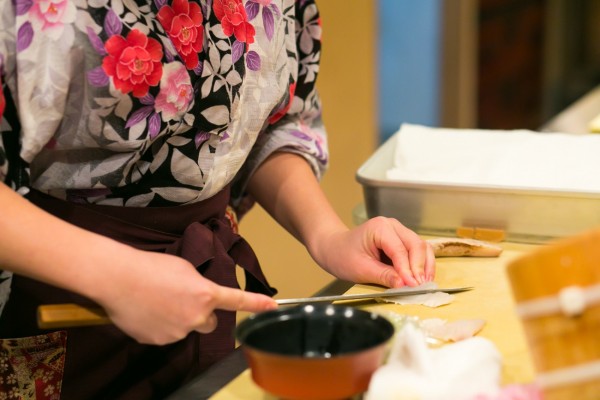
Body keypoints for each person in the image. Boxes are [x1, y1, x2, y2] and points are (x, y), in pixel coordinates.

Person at [0, 0, 435, 398]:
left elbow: (271, 123)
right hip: (51, 295)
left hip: (195, 299)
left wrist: (329, 237)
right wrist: (113, 275)